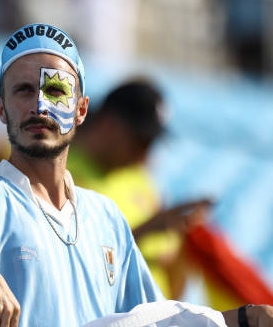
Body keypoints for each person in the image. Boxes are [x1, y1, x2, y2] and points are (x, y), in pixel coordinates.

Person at [0, 22, 273, 326]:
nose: (39, 106)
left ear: (81, 110)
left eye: (56, 90)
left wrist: (242, 318)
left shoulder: (106, 217)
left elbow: (156, 322)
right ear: (1, 108)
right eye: (23, 90)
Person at [66, 77, 212, 299]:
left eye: (151, 143)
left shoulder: (140, 179)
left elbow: (171, 262)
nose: (146, 153)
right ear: (109, 124)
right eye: (141, 140)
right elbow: (65, 259)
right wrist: (146, 231)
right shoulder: (56, 171)